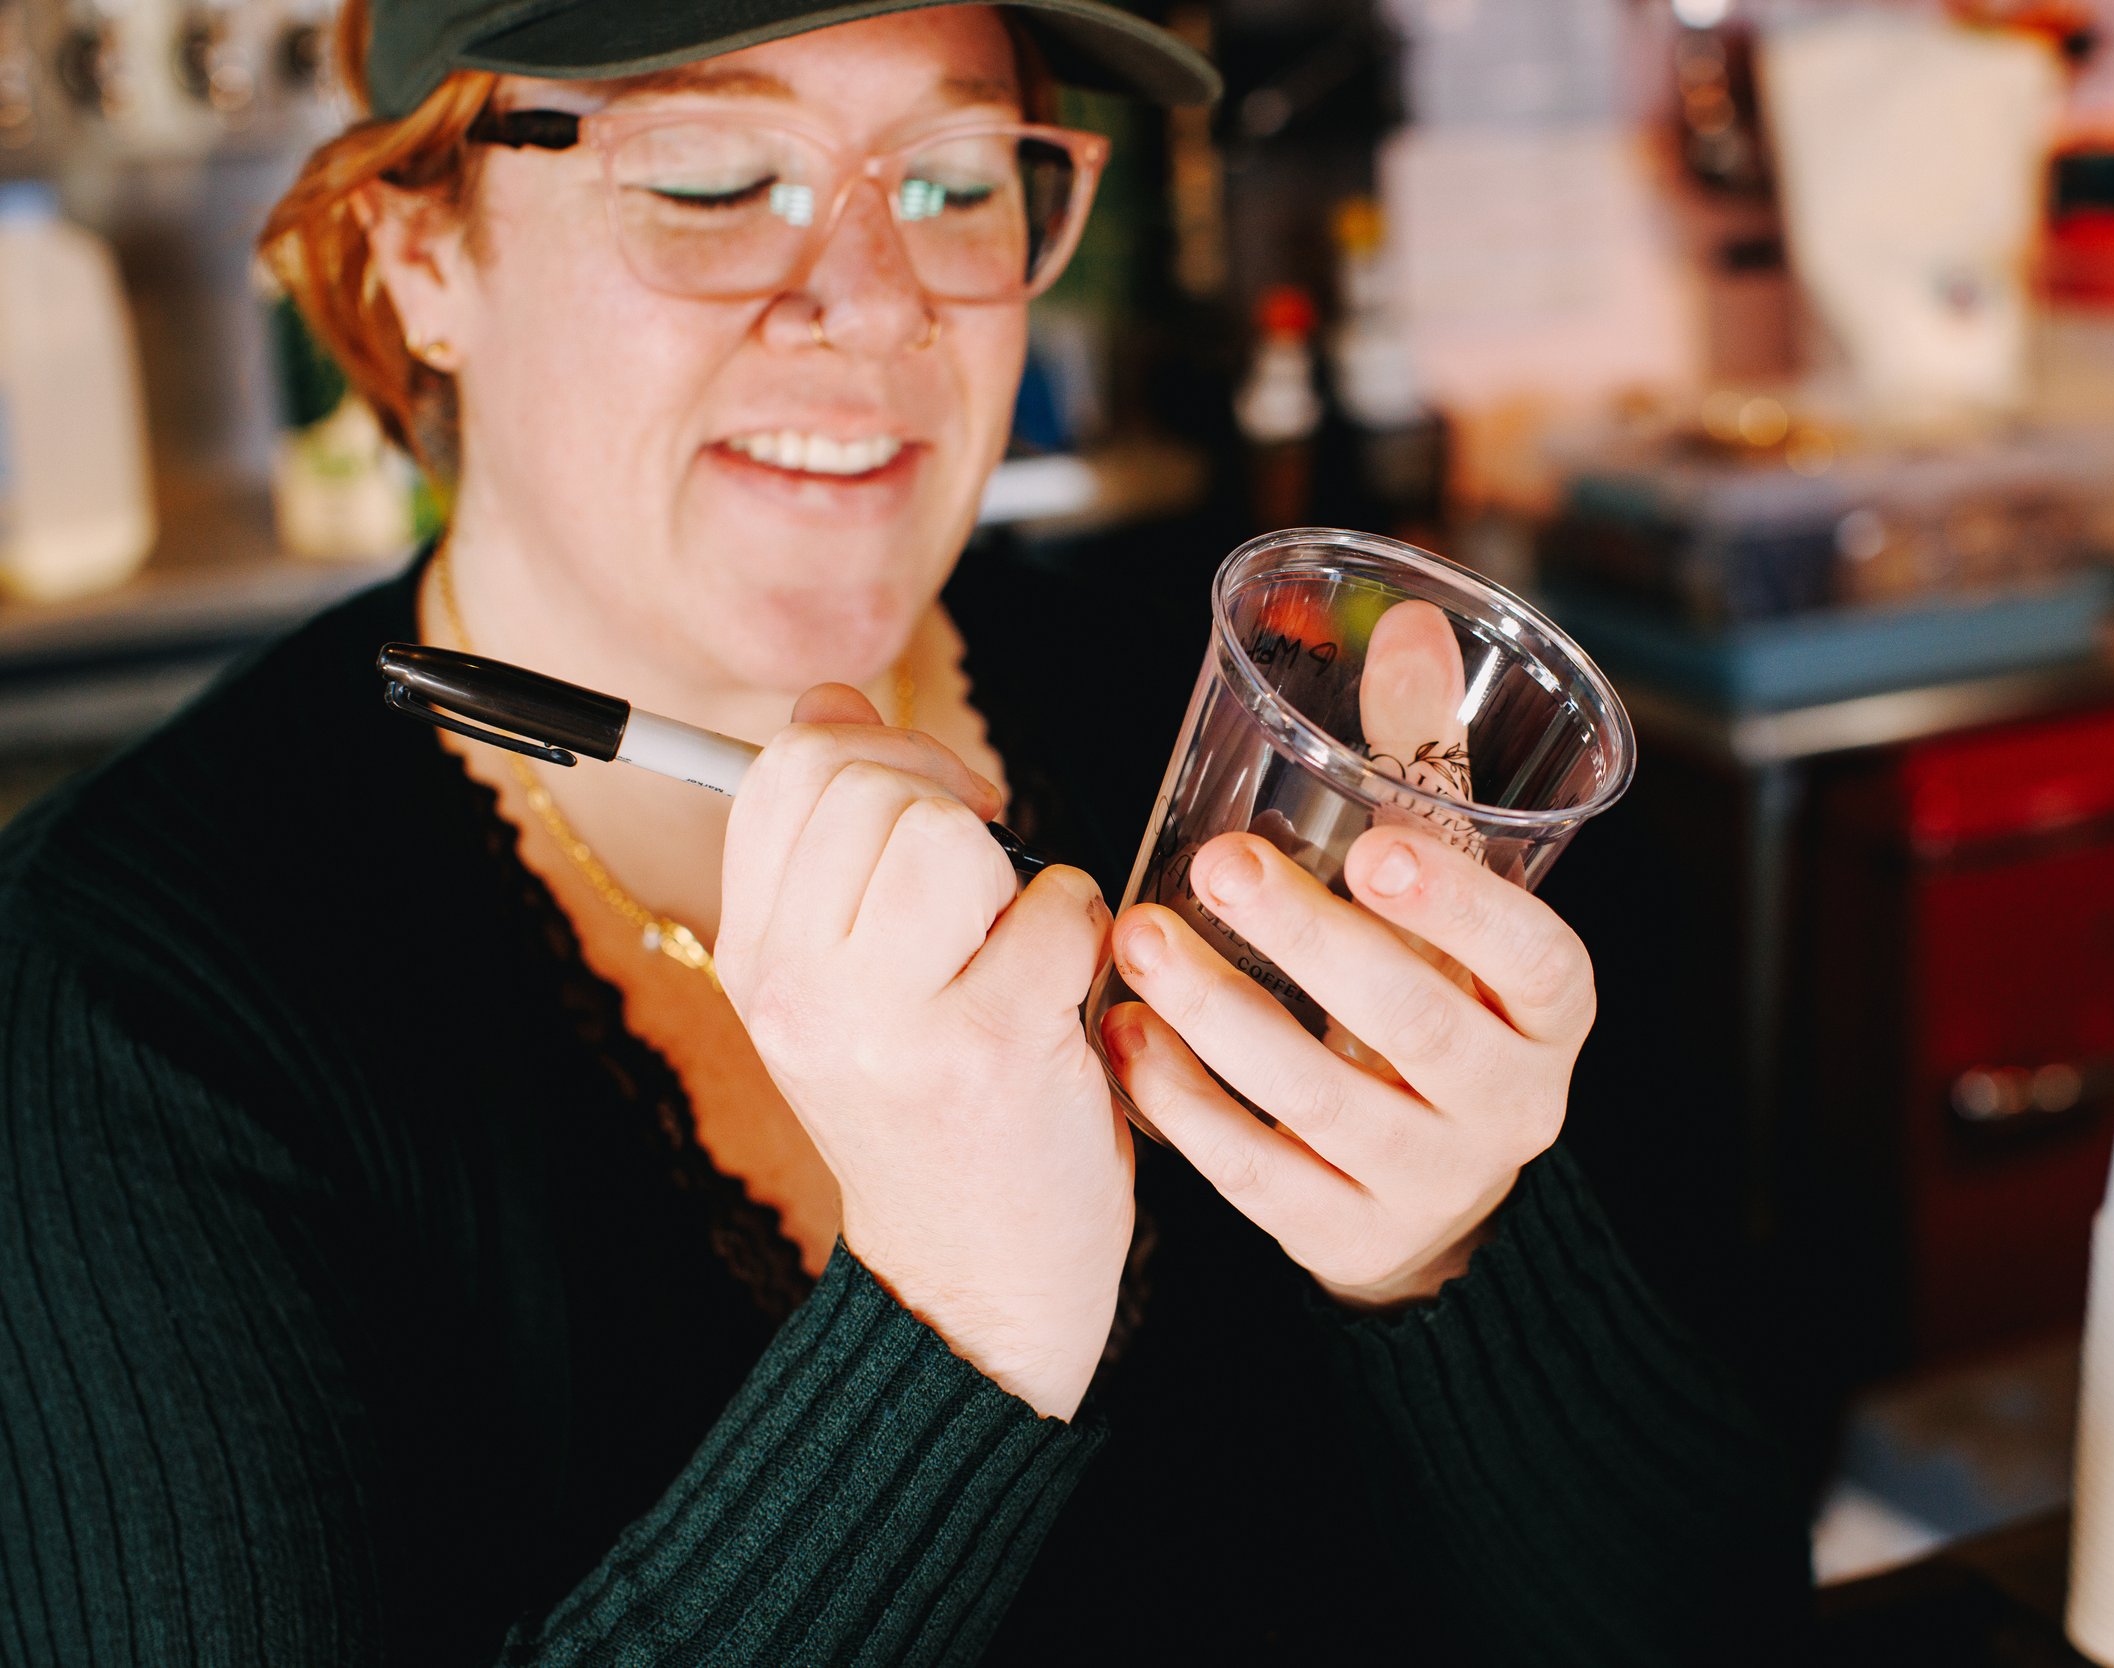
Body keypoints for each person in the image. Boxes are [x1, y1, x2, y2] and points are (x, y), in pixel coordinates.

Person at [0, 1, 1807, 1662]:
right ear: (420, 263)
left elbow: (1714, 1623)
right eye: (712, 179)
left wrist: (1451, 1256)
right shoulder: (126, 1007)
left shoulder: (1232, 754)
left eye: (953, 181)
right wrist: (948, 1329)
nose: (874, 298)